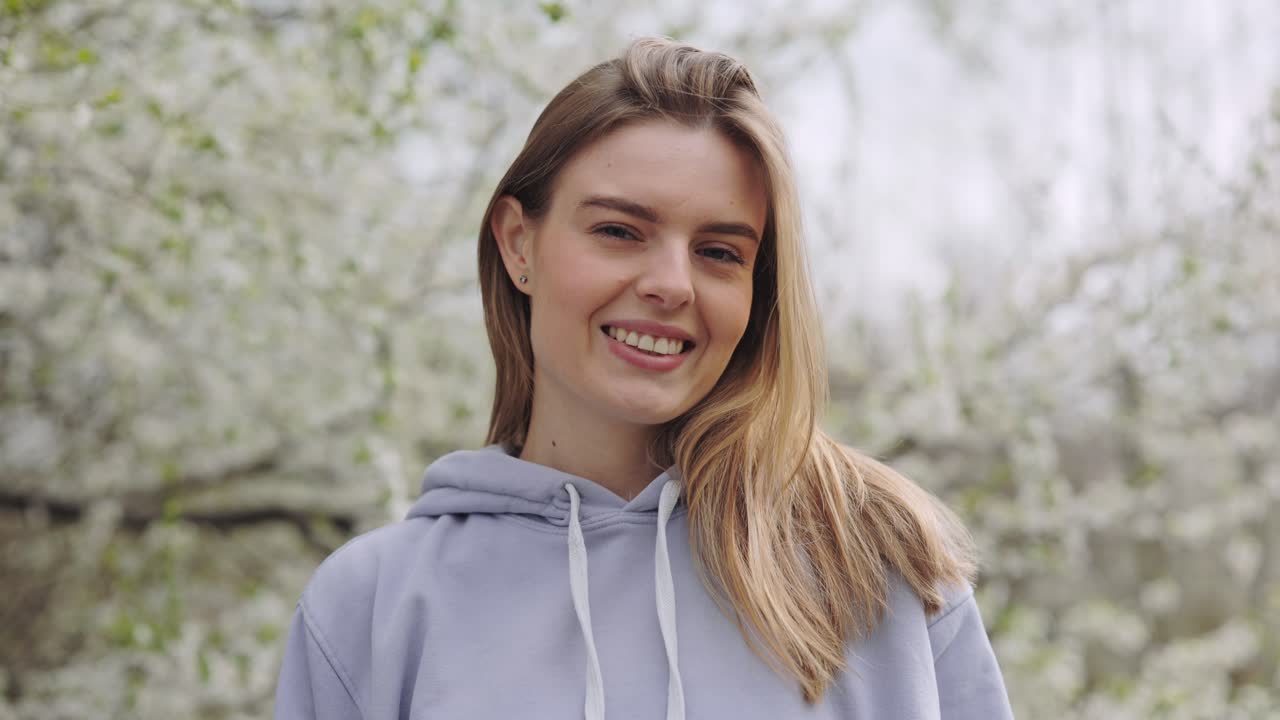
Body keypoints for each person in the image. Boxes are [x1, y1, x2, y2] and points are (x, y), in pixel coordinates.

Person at [274, 37, 1013, 719]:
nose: (671, 285)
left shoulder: (878, 569)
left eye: (720, 251)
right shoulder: (370, 607)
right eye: (620, 232)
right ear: (517, 243)